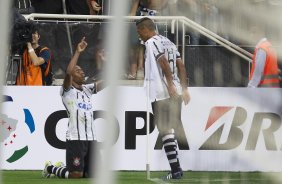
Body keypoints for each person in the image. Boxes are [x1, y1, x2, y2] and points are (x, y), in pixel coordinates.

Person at [136, 17, 190, 180]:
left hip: (162, 92)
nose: (139, 36)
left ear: (146, 29)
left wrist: (169, 85)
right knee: (168, 130)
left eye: (139, 32)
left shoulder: (151, 42)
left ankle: (175, 170)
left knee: (165, 130)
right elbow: (181, 65)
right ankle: (176, 169)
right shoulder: (169, 42)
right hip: (176, 91)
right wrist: (184, 88)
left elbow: (163, 62)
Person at [42, 37, 104, 178]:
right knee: (76, 175)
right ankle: (51, 168)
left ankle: (64, 167)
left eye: (82, 70)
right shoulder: (67, 91)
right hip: (76, 137)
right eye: (78, 70)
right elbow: (69, 72)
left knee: (94, 175)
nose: (82, 72)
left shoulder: (87, 90)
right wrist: (77, 52)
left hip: (91, 137)